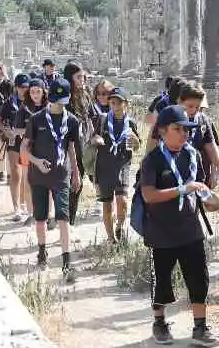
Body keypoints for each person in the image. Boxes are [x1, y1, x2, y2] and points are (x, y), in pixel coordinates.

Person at [139, 105, 219, 348]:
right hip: (161, 231)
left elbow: (203, 189)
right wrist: (181, 190)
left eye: (187, 129)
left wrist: (209, 197)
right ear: (162, 131)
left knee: (199, 279)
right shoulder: (152, 160)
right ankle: (160, 323)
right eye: (178, 129)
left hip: (190, 228)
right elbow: (149, 195)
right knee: (161, 279)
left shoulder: (193, 155)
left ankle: (200, 326)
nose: (184, 133)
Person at [20, 78, 83, 280]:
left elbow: (71, 147)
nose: (58, 105)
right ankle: (42, 252)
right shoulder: (37, 119)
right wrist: (36, 161)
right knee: (41, 218)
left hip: (60, 175)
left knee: (62, 217)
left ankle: (66, 261)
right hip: (38, 176)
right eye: (55, 101)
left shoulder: (71, 120)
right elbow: (24, 148)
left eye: (61, 101)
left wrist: (76, 171)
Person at [92, 84, 139, 242]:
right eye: (112, 102)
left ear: (126, 104)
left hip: (123, 166)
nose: (116, 105)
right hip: (104, 167)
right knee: (107, 204)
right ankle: (111, 238)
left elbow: (137, 146)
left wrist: (136, 142)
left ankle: (119, 227)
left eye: (119, 102)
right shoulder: (103, 119)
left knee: (123, 201)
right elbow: (92, 138)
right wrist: (96, 140)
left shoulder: (131, 123)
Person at [174, 80, 219, 190]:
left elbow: (212, 148)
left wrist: (218, 168)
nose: (194, 110)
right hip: (174, 173)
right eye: (190, 106)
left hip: (196, 174)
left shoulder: (203, 120)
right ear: (180, 101)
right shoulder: (170, 118)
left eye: (197, 107)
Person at [64, 62, 96, 224]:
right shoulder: (65, 97)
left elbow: (90, 116)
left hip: (83, 142)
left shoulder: (85, 95)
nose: (82, 80)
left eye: (83, 76)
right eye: (78, 77)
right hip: (67, 144)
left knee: (78, 182)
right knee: (68, 181)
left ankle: (70, 219)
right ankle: (63, 219)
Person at [1, 73, 33, 220]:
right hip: (14, 141)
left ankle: (25, 204)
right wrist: (5, 130)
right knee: (15, 173)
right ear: (16, 87)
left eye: (26, 87)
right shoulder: (9, 102)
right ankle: (16, 208)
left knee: (26, 175)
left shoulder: (32, 102)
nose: (23, 90)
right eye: (21, 87)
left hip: (28, 143)